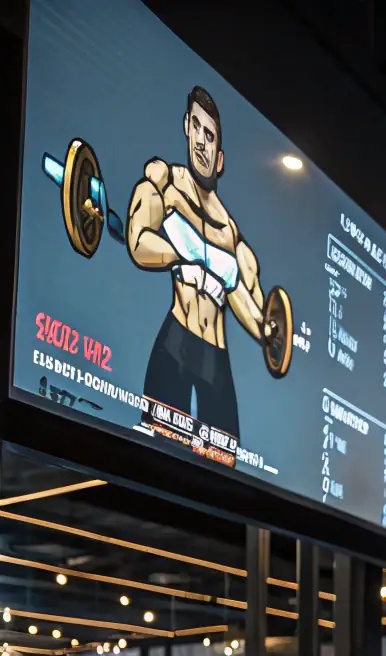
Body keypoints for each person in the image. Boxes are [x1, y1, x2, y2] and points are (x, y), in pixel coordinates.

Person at [126, 86, 271, 446]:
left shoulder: (233, 237)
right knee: (159, 457)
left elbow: (254, 315)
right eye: (197, 128)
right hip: (177, 341)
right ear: (186, 128)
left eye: (211, 135)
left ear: (220, 158)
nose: (202, 143)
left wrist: (271, 334)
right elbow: (138, 241)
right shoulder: (166, 183)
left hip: (215, 360)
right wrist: (180, 259)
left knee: (224, 473)